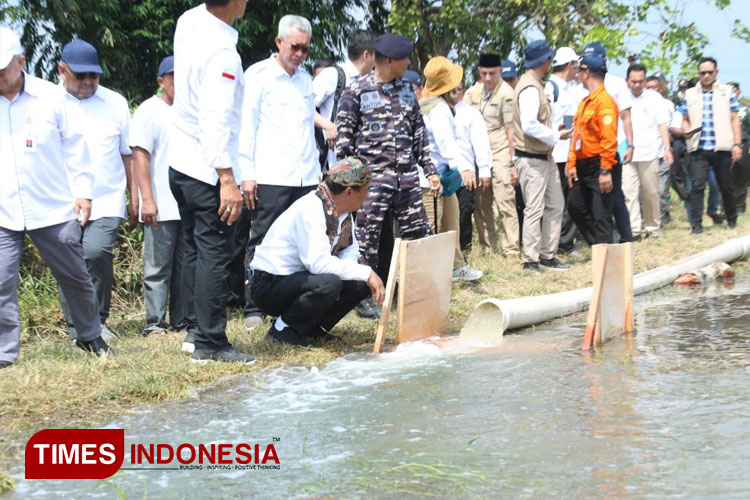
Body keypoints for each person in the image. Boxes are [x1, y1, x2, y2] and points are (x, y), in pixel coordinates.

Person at [0, 27, 112, 367]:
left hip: (52, 207)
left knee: (75, 275)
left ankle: (90, 336)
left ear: (21, 62)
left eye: (2, 70)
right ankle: (5, 353)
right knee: (1, 281)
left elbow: (77, 149)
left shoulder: (51, 98)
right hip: (3, 210)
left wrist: (83, 193)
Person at [169, 0, 254, 364]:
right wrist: (227, 178)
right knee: (215, 253)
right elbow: (216, 116)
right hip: (207, 168)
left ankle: (193, 330)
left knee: (193, 249)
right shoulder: (223, 53)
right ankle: (210, 342)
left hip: (180, 160)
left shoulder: (188, 21)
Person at [336, 33, 440, 290]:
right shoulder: (356, 91)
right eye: (405, 59)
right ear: (390, 61)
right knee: (366, 242)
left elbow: (419, 132)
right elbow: (344, 141)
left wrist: (429, 170)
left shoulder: (407, 90)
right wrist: (352, 184)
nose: (409, 63)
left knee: (418, 237)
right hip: (371, 182)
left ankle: (418, 293)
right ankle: (364, 297)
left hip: (406, 181)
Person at [250, 157, 385, 347]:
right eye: (365, 191)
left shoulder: (342, 211)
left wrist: (362, 274)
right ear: (348, 192)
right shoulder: (311, 209)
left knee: (358, 282)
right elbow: (317, 263)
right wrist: (367, 273)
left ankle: (311, 327)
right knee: (330, 283)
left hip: (299, 279)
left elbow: (349, 250)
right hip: (269, 284)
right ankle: (282, 330)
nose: (367, 195)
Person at [239, 15, 320, 332]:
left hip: (305, 176)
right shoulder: (258, 76)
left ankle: (290, 304)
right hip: (270, 174)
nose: (300, 54)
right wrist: (247, 172)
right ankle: (253, 306)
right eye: (295, 47)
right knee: (261, 240)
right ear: (279, 43)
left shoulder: (306, 80)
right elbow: (246, 128)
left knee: (300, 242)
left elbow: (306, 130)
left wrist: (316, 174)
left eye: (305, 49)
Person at [56, 39, 135, 341]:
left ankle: (98, 318)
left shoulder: (114, 103)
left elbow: (128, 153)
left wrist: (135, 197)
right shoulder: (49, 103)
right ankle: (78, 328)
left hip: (107, 197)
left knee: (95, 251)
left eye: (94, 75)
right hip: (63, 200)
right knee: (68, 259)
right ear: (62, 70)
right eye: (81, 75)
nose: (89, 82)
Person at [130, 55, 189, 336]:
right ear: (161, 81)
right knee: (157, 266)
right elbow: (140, 156)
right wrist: (147, 199)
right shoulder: (148, 111)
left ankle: (182, 319)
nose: (179, 83)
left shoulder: (191, 110)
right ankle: (155, 321)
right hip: (161, 202)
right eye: (173, 77)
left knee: (184, 267)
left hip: (187, 203)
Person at [418, 56, 483, 281]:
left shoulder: (431, 105)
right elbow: (447, 146)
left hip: (441, 178)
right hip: (430, 180)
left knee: (451, 221)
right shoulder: (439, 111)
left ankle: (455, 267)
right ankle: (427, 278)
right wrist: (464, 168)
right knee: (431, 229)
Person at [513, 39, 570, 274]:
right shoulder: (529, 87)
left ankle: (548, 254)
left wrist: (552, 132)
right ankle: (531, 259)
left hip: (543, 157)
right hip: (531, 158)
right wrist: (555, 136)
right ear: (544, 61)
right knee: (535, 209)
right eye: (549, 59)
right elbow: (529, 125)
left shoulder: (537, 84)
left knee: (556, 205)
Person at [463, 54, 520, 259]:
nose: (488, 78)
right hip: (478, 154)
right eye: (484, 73)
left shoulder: (507, 93)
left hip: (500, 151)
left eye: (492, 73)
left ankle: (511, 250)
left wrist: (513, 163)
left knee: (505, 201)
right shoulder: (471, 93)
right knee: (481, 203)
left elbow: (510, 129)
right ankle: (488, 248)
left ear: (501, 71)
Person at [581, 43, 634, 243]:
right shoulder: (582, 84)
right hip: (589, 150)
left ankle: (626, 238)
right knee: (594, 202)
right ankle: (602, 240)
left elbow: (626, 116)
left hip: (614, 143)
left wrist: (630, 144)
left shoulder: (616, 83)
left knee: (615, 196)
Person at [682, 57, 741, 233]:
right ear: (698, 74)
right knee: (697, 186)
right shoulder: (690, 93)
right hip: (699, 147)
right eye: (703, 73)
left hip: (721, 147)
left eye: (710, 72)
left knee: (725, 185)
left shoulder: (726, 91)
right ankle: (696, 225)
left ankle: (731, 220)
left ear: (716, 72)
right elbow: (684, 118)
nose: (706, 76)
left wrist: (737, 144)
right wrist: (687, 130)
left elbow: (734, 119)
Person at [565, 55, 620, 244]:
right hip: (583, 164)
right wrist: (571, 162)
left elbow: (609, 138)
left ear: (587, 73)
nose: (577, 76)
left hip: (600, 164)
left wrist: (605, 170)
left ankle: (606, 257)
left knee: (601, 214)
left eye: (579, 72)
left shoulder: (604, 101)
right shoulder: (584, 102)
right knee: (576, 207)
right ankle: (599, 247)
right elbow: (577, 136)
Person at [313, 29, 377, 170]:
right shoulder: (334, 75)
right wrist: (328, 126)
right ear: (366, 55)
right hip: (335, 164)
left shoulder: (372, 81)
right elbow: (303, 108)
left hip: (362, 161)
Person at [623, 64, 673, 238]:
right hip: (626, 153)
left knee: (651, 192)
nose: (637, 85)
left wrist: (667, 148)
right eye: (633, 81)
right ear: (627, 81)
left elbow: (662, 124)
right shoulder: (620, 97)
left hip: (649, 152)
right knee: (629, 193)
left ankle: (652, 228)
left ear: (645, 81)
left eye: (640, 81)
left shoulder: (654, 98)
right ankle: (634, 229)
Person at [544, 47, 581, 254]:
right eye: (575, 66)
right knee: (559, 202)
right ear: (569, 66)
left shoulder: (568, 88)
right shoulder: (551, 88)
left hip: (569, 152)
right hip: (557, 153)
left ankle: (565, 241)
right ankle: (560, 243)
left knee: (569, 201)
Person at [454, 81, 492, 254]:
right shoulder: (436, 111)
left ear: (463, 91)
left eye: (458, 89)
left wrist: (484, 170)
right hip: (443, 172)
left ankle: (464, 253)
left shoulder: (470, 113)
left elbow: (480, 142)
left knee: (464, 212)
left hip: (465, 174)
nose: (454, 93)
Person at [646, 74, 680, 226]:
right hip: (646, 153)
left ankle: (662, 217)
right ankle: (649, 219)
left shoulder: (666, 105)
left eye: (653, 87)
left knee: (661, 189)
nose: (651, 90)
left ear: (660, 89)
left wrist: (667, 147)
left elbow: (669, 126)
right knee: (646, 190)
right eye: (648, 87)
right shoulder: (637, 103)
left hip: (662, 151)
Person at [728, 82, 749, 213]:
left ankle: (739, 206)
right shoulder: (719, 108)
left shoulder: (746, 109)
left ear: (738, 92)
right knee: (725, 175)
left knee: (741, 175)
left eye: (734, 91)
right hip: (724, 144)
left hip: (744, 143)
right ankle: (725, 206)